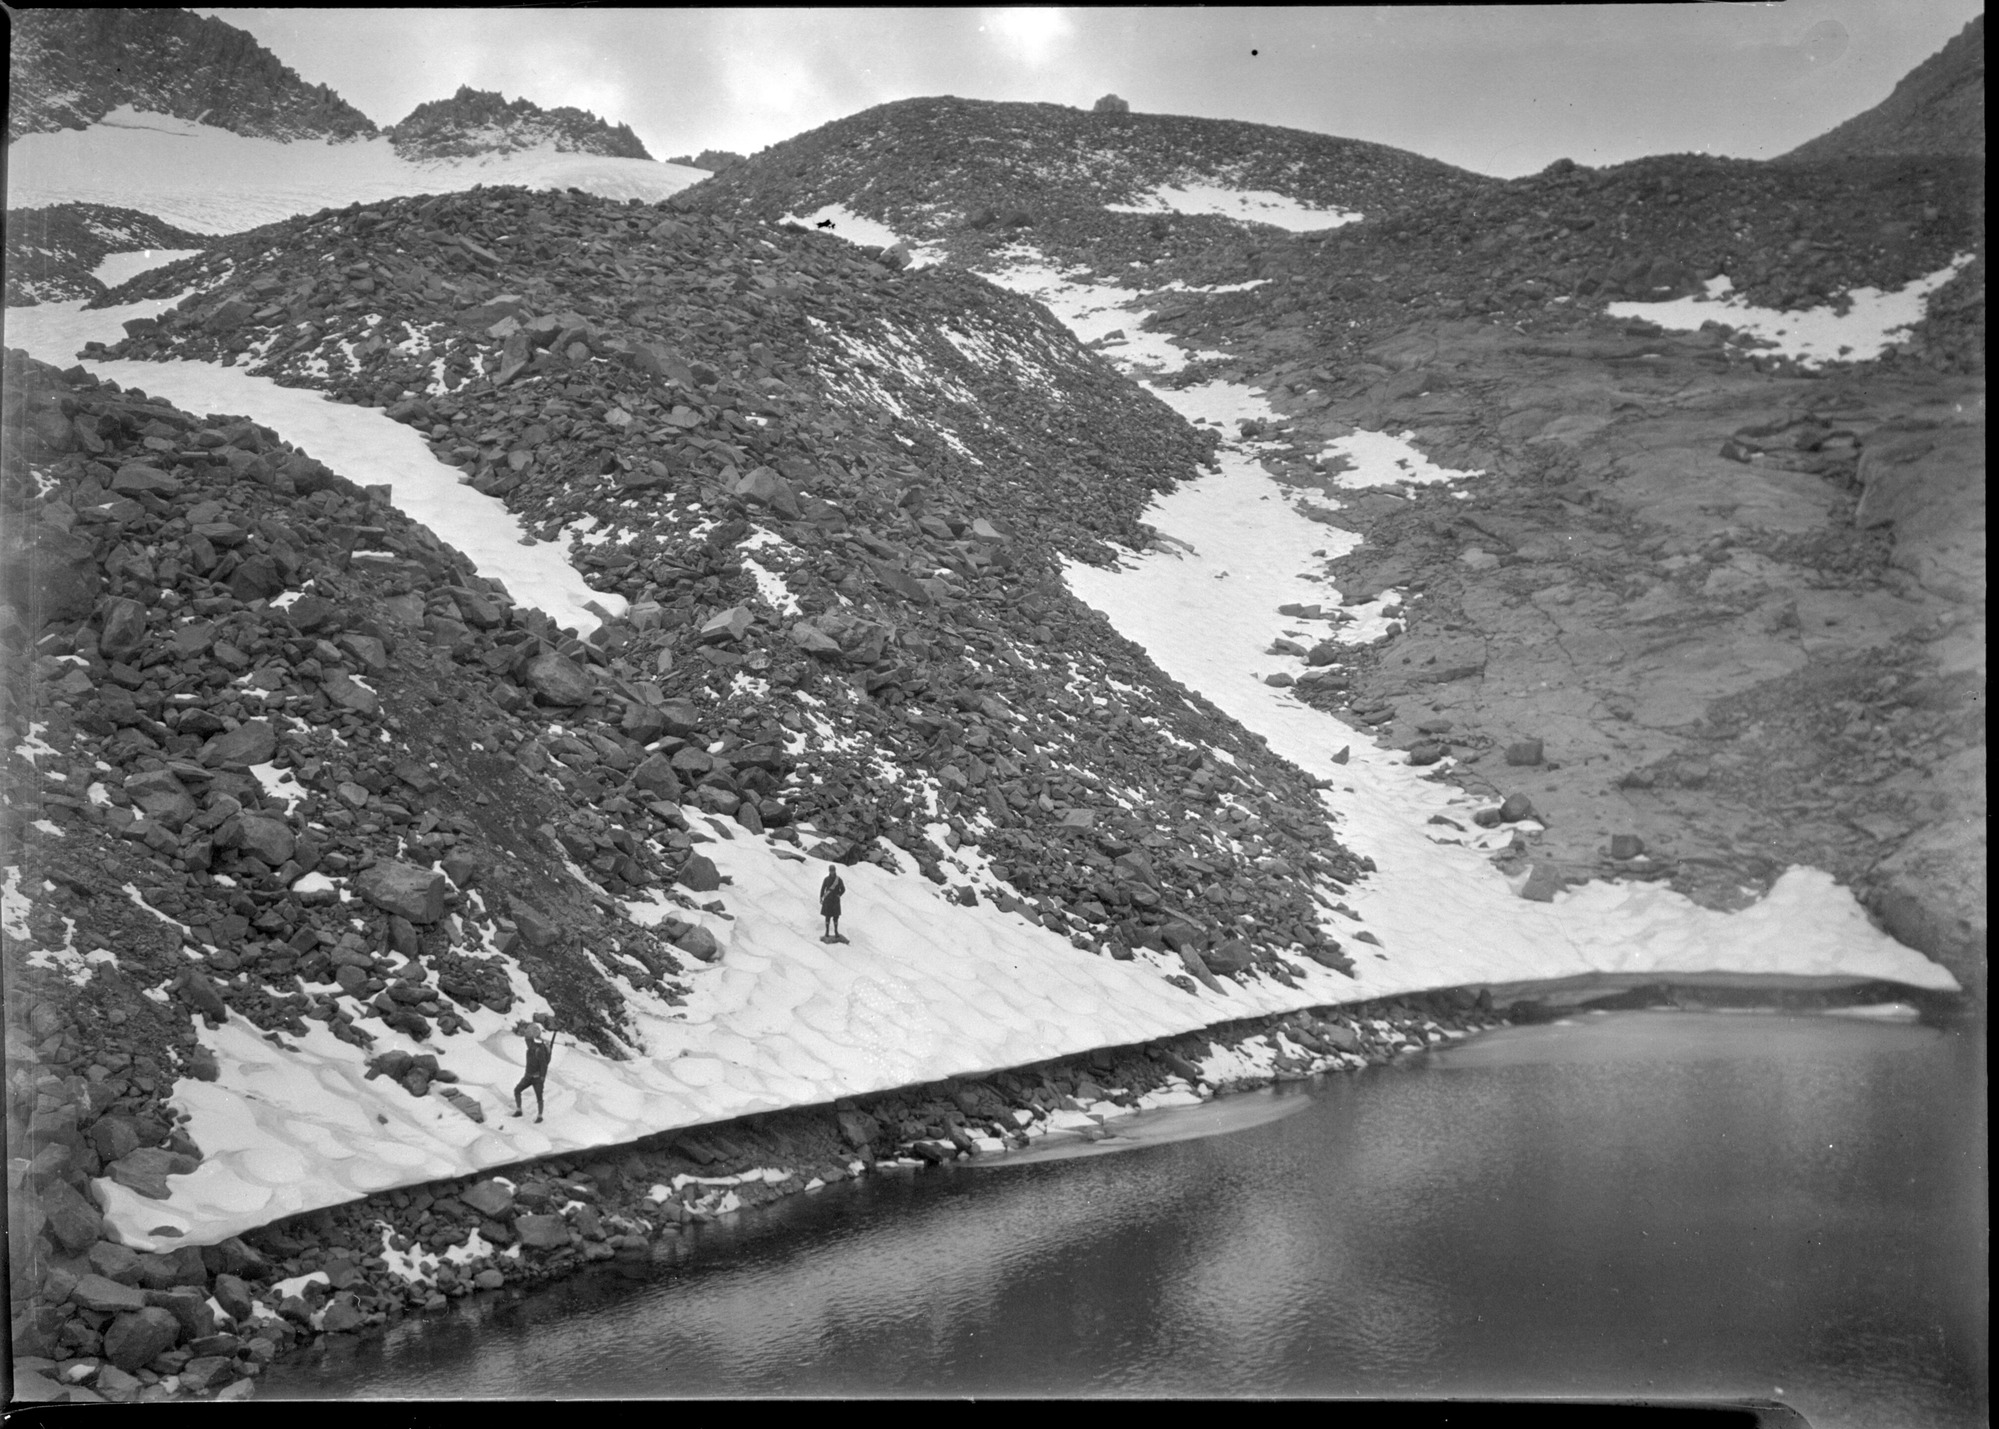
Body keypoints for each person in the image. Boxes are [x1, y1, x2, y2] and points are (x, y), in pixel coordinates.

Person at [513, 1022, 554, 1123]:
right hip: (528, 1076)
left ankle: (540, 1116)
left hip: (537, 1078)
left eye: (527, 1040)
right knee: (517, 1090)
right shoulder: (530, 1050)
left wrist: (542, 1078)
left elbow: (544, 1065)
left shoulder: (538, 1050)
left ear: (531, 1040)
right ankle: (519, 1110)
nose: (526, 1042)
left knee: (539, 1096)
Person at [820, 866, 845, 941]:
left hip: (835, 901)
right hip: (828, 900)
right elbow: (823, 889)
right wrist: (821, 897)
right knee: (827, 916)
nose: (832, 872)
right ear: (829, 871)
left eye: (833, 870)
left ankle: (836, 931)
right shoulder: (826, 879)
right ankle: (827, 931)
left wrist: (839, 894)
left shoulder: (839, 879)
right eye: (831, 871)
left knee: (836, 917)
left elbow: (843, 889)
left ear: (835, 871)